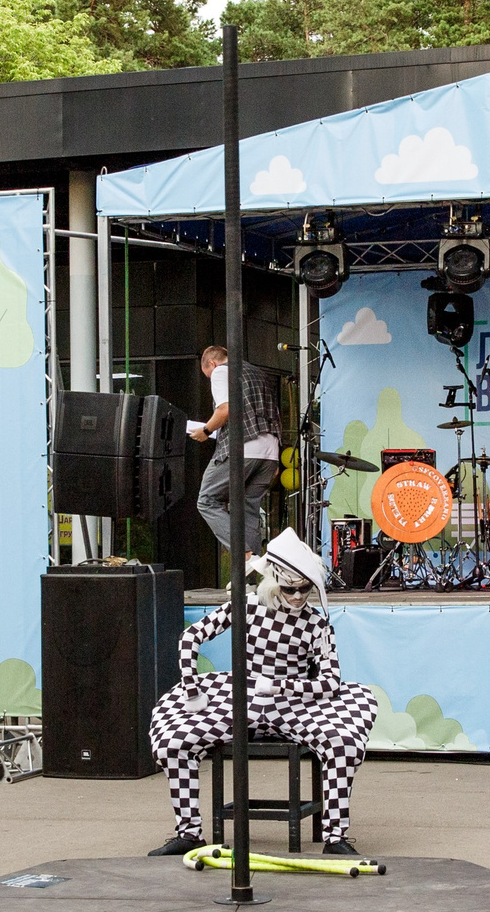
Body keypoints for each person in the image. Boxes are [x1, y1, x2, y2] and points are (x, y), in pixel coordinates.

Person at [147, 528, 379, 859]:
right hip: (241, 697)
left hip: (295, 704)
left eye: (305, 590)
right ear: (273, 583)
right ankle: (188, 832)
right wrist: (191, 687)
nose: (298, 597)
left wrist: (282, 686)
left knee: (343, 741)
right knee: (173, 741)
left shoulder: (316, 625)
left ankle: (335, 835)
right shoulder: (246, 607)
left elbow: (331, 681)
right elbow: (190, 637)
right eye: (290, 589)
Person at [190, 341, 284, 560]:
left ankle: (245, 554)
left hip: (243, 447)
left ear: (211, 363)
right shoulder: (256, 372)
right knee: (248, 507)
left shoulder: (221, 372)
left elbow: (225, 409)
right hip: (269, 452)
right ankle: (250, 575)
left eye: (207, 375)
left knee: (207, 500)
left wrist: (205, 429)